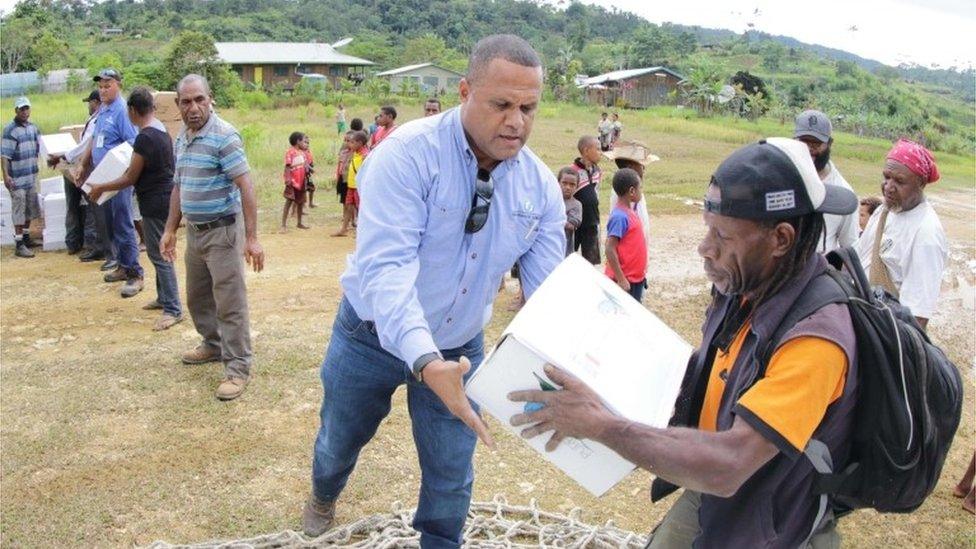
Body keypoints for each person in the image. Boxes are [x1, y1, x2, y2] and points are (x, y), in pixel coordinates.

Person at [510, 137, 861, 548]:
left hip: (771, 515)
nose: (704, 248)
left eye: (723, 236)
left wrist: (601, 424)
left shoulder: (817, 340)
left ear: (781, 239)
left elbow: (731, 464)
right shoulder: (749, 285)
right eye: (708, 229)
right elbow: (713, 371)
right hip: (711, 486)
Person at [302, 35, 566, 547]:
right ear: (465, 91)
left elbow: (547, 295)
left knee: (451, 471)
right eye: (502, 105)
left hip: (460, 349)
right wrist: (424, 360)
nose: (516, 121)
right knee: (339, 441)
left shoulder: (540, 188)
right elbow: (388, 272)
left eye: (529, 108)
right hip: (369, 336)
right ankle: (323, 493)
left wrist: (570, 364)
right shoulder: (406, 156)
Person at [160, 73, 265, 401]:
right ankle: (213, 344)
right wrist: (168, 229)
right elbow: (179, 184)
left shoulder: (224, 136)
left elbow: (245, 186)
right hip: (195, 233)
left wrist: (252, 238)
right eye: (186, 101)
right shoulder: (182, 137)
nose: (194, 107)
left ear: (210, 99)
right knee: (198, 297)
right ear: (178, 105)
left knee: (230, 302)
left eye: (199, 99)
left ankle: (237, 368)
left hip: (222, 232)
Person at [86, 86, 184, 330]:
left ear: (131, 110)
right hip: (163, 199)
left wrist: (101, 187)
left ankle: (173, 308)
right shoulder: (160, 130)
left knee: (161, 255)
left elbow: (130, 177)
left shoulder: (144, 137)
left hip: (155, 202)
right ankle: (164, 298)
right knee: (157, 250)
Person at [854, 139, 947, 331]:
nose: (888, 187)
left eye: (899, 181)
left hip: (883, 333)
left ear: (921, 183)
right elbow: (859, 257)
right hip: (859, 318)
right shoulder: (884, 211)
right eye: (886, 177)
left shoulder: (926, 234)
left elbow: (916, 319)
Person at [80, 68, 143, 297]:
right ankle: (123, 266)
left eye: (108, 85)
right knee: (111, 224)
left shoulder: (122, 112)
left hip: (118, 179)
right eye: (101, 86)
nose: (103, 90)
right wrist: (84, 165)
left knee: (124, 224)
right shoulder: (103, 109)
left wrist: (125, 175)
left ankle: (136, 274)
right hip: (102, 177)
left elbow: (133, 143)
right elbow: (94, 140)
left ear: (119, 85)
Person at [794, 109, 858, 252]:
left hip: (816, 272)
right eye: (804, 142)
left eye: (816, 144)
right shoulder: (780, 178)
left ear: (829, 143)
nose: (809, 149)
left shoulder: (843, 193)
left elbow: (850, 246)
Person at [47, 90, 101, 255]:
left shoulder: (99, 121)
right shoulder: (94, 120)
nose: (88, 106)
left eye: (89, 102)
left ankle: (91, 245)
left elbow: (85, 146)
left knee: (91, 206)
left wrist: (63, 156)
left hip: (87, 168)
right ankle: (75, 242)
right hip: (79, 166)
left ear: (96, 102)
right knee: (76, 205)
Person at [1, 96, 41, 258]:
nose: (24, 112)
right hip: (16, 179)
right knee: (19, 210)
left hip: (30, 176)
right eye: (21, 109)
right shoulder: (10, 130)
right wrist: (6, 175)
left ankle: (25, 238)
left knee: (30, 209)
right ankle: (19, 245)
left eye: (26, 108)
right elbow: (4, 156)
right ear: (16, 111)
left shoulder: (33, 128)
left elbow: (39, 149)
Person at [602, 140, 658, 253]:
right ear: (631, 167)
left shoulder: (632, 188)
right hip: (630, 251)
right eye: (642, 165)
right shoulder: (626, 192)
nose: (644, 169)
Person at [604, 168, 647, 302]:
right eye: (640, 187)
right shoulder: (619, 216)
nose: (642, 190)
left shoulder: (630, 211)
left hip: (635, 279)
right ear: (632, 191)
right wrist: (621, 279)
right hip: (625, 281)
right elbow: (609, 248)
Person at [570, 135, 603, 265]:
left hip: (592, 221)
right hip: (575, 223)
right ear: (586, 151)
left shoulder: (597, 171)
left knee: (591, 260)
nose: (601, 153)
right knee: (567, 257)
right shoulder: (572, 172)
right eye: (598, 149)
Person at [330, 130, 367, 237]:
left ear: (360, 143)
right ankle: (344, 229)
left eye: (352, 142)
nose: (349, 144)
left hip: (358, 187)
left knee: (360, 208)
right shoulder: (355, 153)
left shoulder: (365, 155)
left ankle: (361, 231)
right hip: (351, 185)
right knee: (348, 206)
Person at [281, 131, 310, 231]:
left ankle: (299, 223)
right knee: (289, 201)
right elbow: (287, 167)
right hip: (293, 181)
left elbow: (304, 166)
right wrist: (288, 179)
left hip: (301, 181)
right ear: (298, 141)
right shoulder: (290, 152)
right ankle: (283, 225)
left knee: (301, 202)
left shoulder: (303, 153)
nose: (305, 142)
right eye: (303, 141)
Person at [558, 166, 581, 256]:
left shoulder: (576, 205)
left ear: (577, 186)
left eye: (572, 184)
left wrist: (551, 219)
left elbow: (571, 226)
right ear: (558, 183)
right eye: (564, 183)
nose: (568, 187)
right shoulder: (550, 201)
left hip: (565, 252)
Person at [303, 135, 316, 208]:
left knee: (312, 188)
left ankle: (310, 203)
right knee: (303, 189)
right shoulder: (300, 152)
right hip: (302, 174)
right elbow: (304, 163)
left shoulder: (308, 151)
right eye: (305, 142)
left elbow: (310, 161)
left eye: (308, 143)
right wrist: (311, 168)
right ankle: (303, 204)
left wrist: (311, 165)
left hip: (308, 174)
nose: (307, 144)